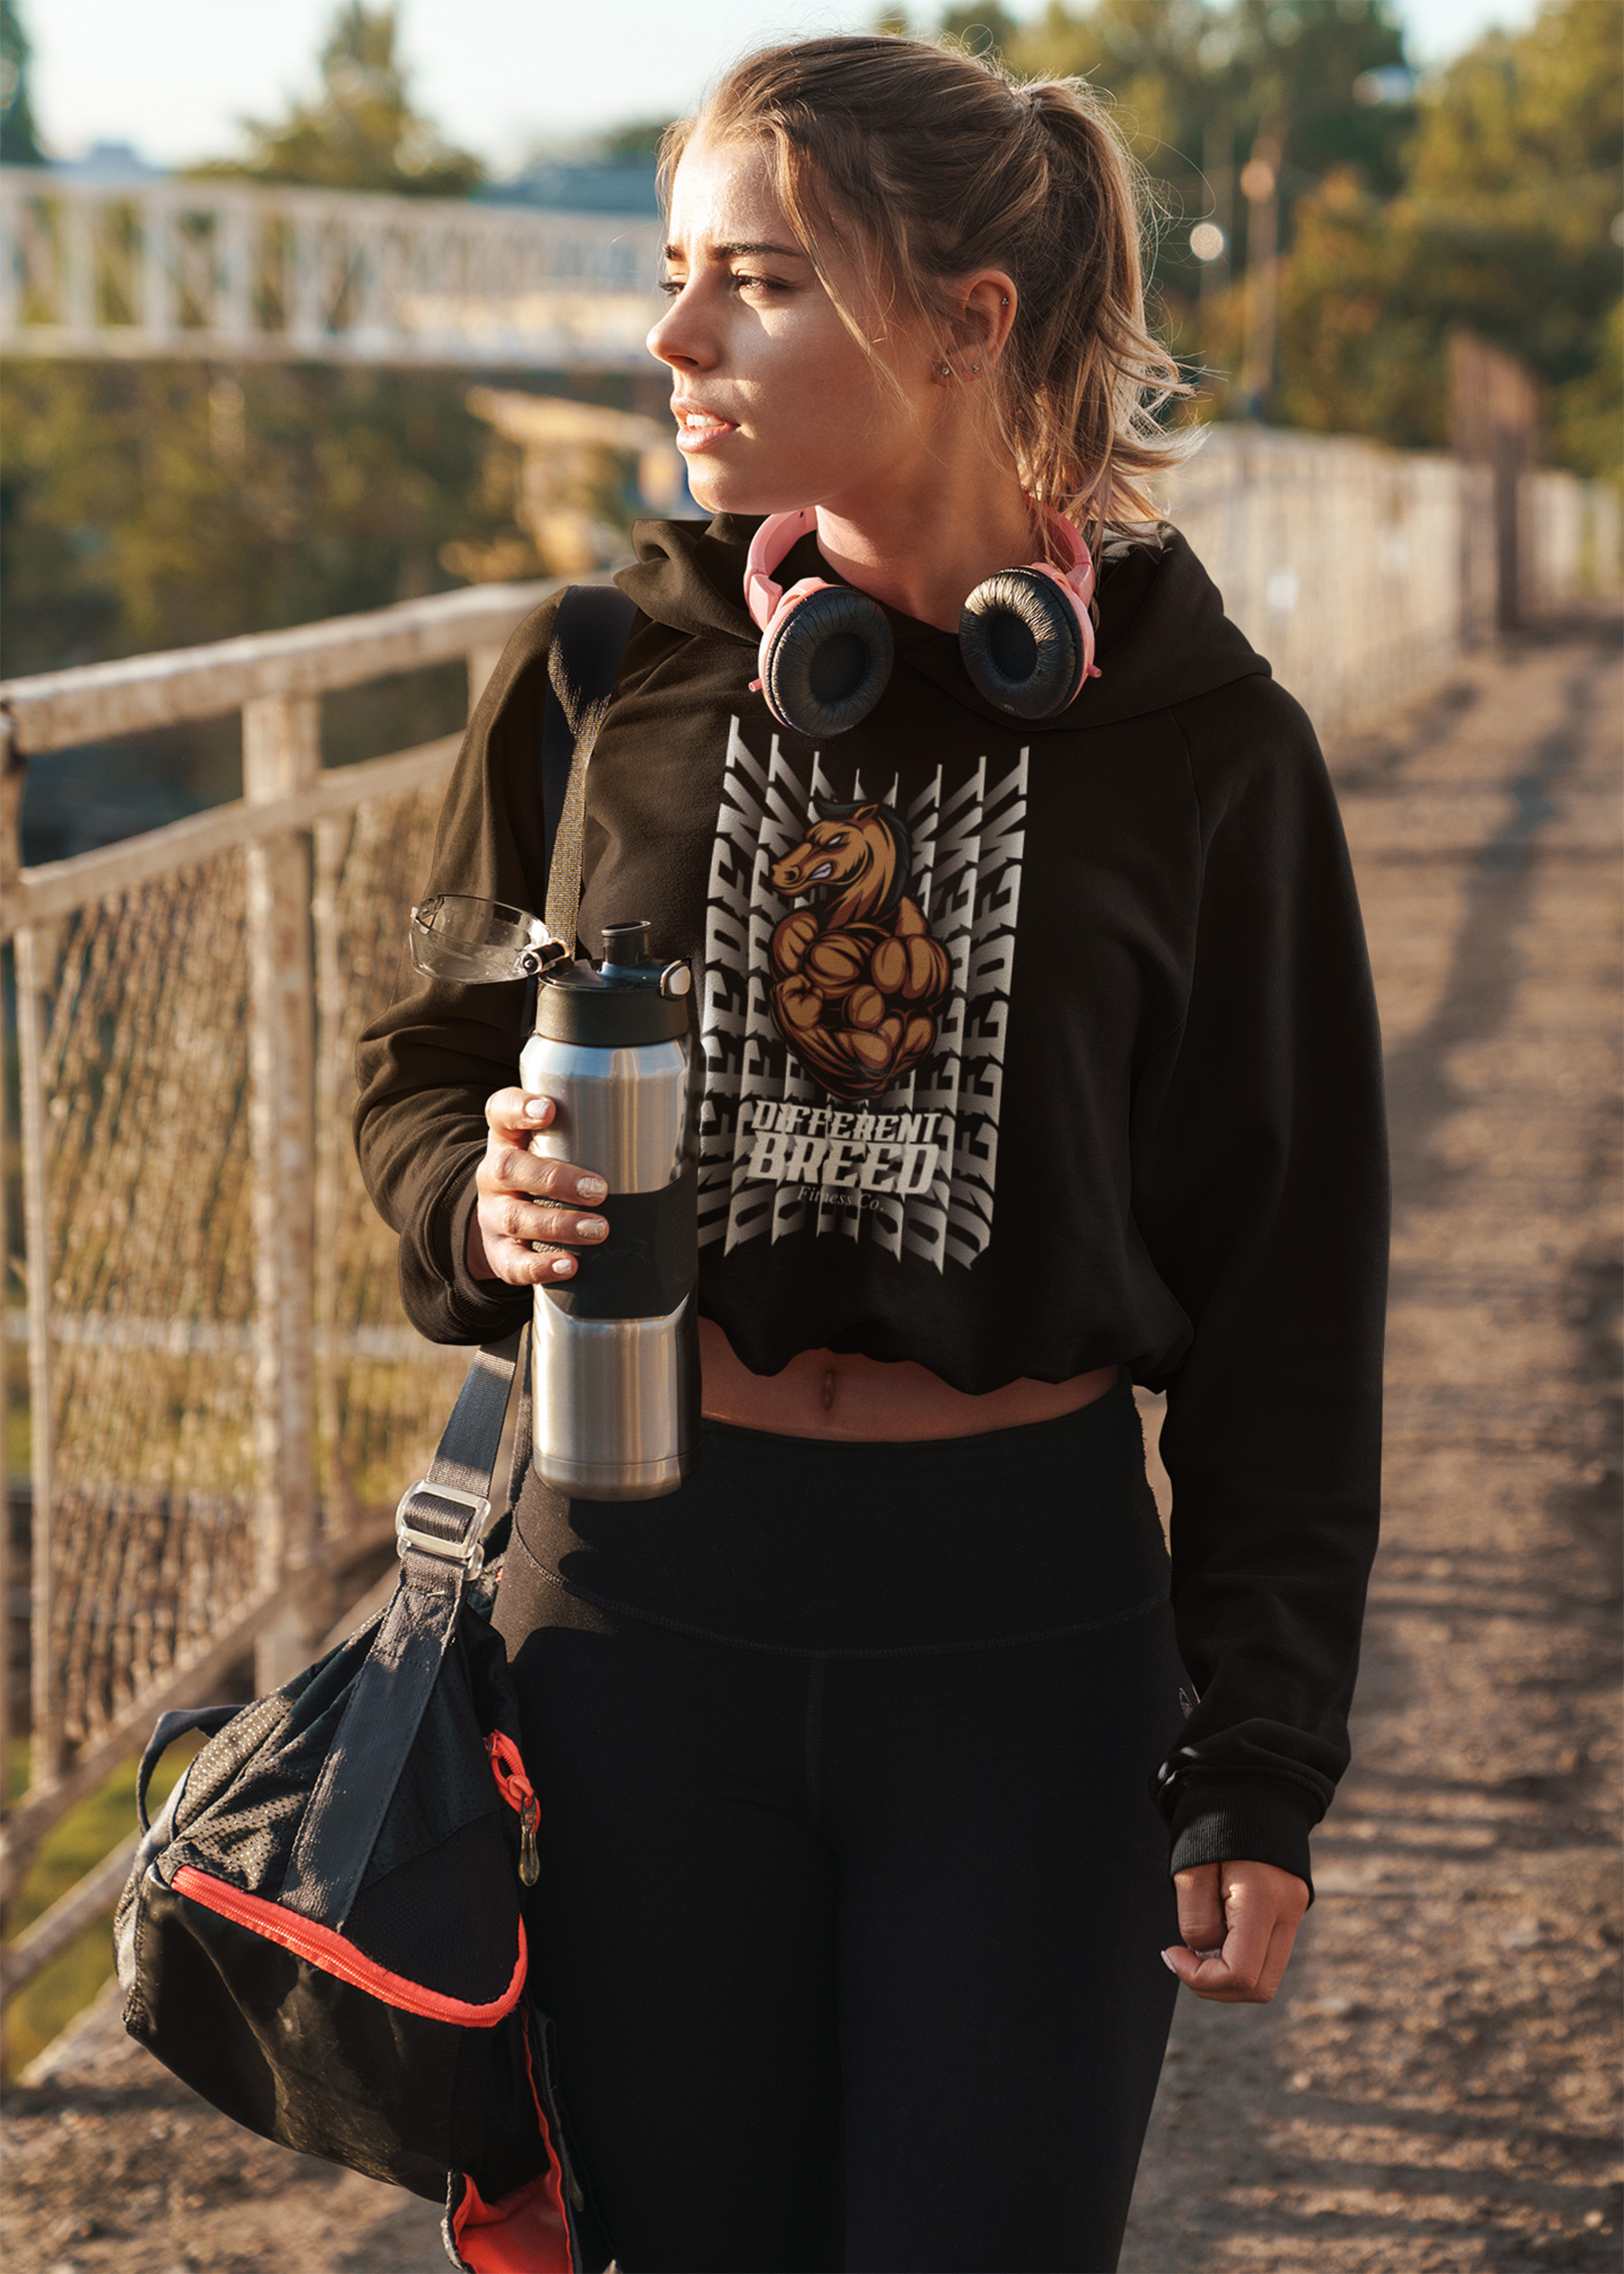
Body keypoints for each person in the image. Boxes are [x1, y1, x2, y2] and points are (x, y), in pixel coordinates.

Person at [355, 32, 1388, 2274]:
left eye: (759, 281)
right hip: (626, 1622)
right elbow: (423, 1045)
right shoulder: (588, 677)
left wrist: (1262, 1759)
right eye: (671, 272)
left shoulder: (1214, 751)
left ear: (962, 319)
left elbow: (1294, 1295)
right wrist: (480, 1193)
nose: (673, 340)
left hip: (1022, 1654)